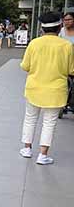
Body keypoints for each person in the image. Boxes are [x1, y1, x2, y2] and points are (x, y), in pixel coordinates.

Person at [20, 12, 74, 165]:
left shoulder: (34, 44)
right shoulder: (67, 46)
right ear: (59, 28)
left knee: (30, 118)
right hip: (56, 90)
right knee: (49, 122)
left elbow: (25, 66)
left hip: (34, 88)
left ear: (42, 29)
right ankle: (43, 155)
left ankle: (27, 149)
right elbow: (71, 69)